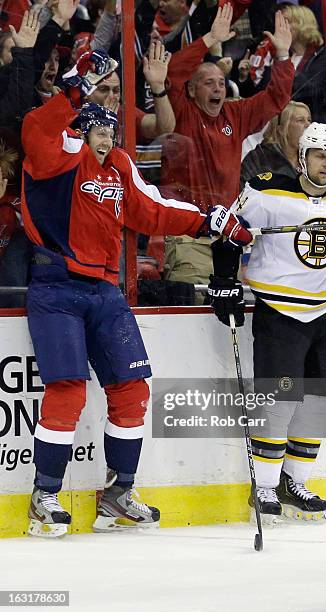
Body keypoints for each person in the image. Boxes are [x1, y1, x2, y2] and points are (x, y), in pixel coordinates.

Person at [21, 49, 252, 538]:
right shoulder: (53, 157)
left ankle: (118, 493)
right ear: (79, 129)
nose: (106, 138)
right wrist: (74, 89)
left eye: (111, 130)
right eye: (97, 129)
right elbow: (39, 128)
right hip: (56, 287)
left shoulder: (120, 166)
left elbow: (154, 210)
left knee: (133, 390)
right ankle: (44, 495)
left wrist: (209, 220)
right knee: (68, 391)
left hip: (104, 290)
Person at [208, 122, 326, 522]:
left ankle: (294, 483)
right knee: (279, 402)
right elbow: (228, 234)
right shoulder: (266, 190)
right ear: (302, 157)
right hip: (279, 313)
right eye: (319, 156)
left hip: (325, 314)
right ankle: (263, 487)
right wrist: (224, 281)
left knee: (319, 400)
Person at [162, 4, 294, 286]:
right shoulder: (182, 112)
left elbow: (276, 98)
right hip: (188, 237)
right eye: (208, 83)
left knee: (225, 322)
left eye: (221, 83)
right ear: (192, 89)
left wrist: (283, 56)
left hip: (227, 239)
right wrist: (209, 39)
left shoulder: (235, 114)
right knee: (192, 313)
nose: (218, 89)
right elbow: (172, 73)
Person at [240, 100, 311, 190]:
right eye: (300, 120)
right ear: (281, 129)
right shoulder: (258, 159)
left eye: (309, 120)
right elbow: (244, 194)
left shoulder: (312, 157)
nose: (308, 125)